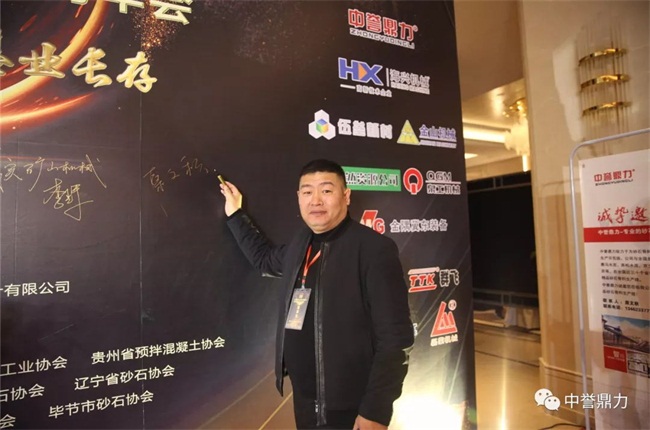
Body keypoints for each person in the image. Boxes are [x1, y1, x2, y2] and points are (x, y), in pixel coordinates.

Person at [220, 159, 413, 430]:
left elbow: (396, 338)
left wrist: (376, 410)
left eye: (326, 190)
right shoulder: (300, 245)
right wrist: (235, 214)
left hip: (352, 406)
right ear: (299, 198)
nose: (316, 200)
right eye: (307, 192)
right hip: (305, 400)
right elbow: (264, 259)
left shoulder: (373, 249)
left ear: (346, 196)